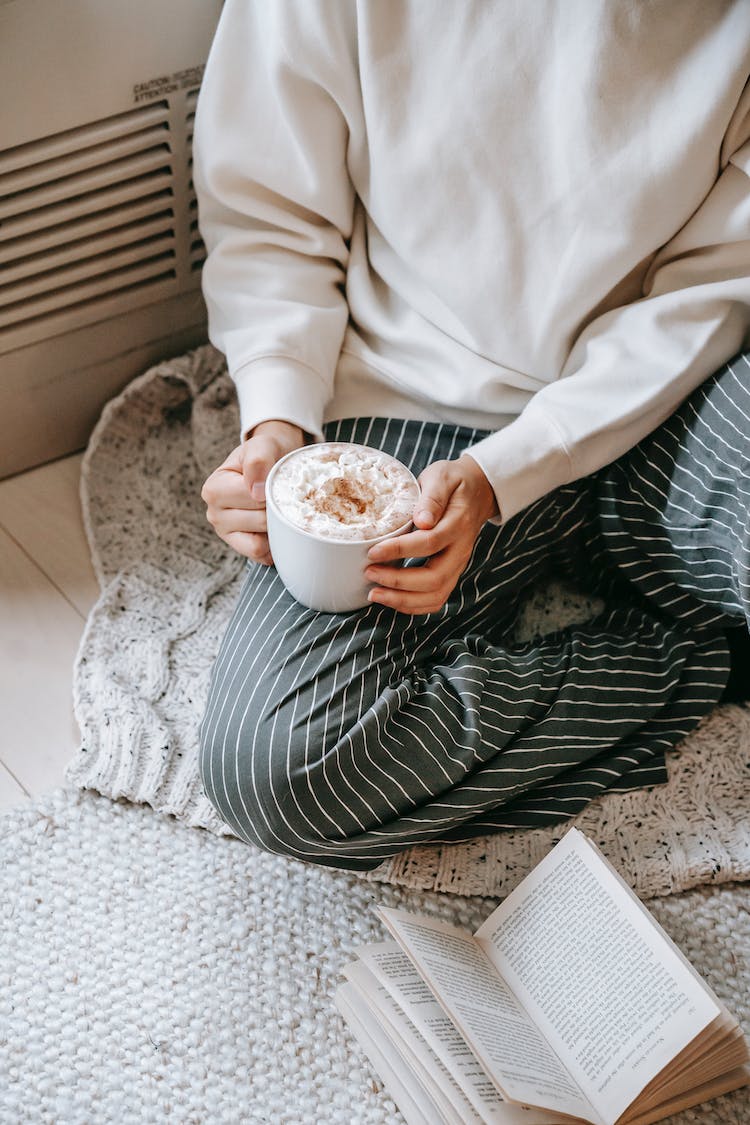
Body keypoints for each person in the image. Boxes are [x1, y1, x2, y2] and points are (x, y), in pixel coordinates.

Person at [192, 0, 750, 870]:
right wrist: (276, 420)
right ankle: (701, 660)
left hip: (668, 402)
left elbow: (713, 288)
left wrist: (517, 467)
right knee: (280, 767)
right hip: (410, 411)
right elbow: (270, 215)